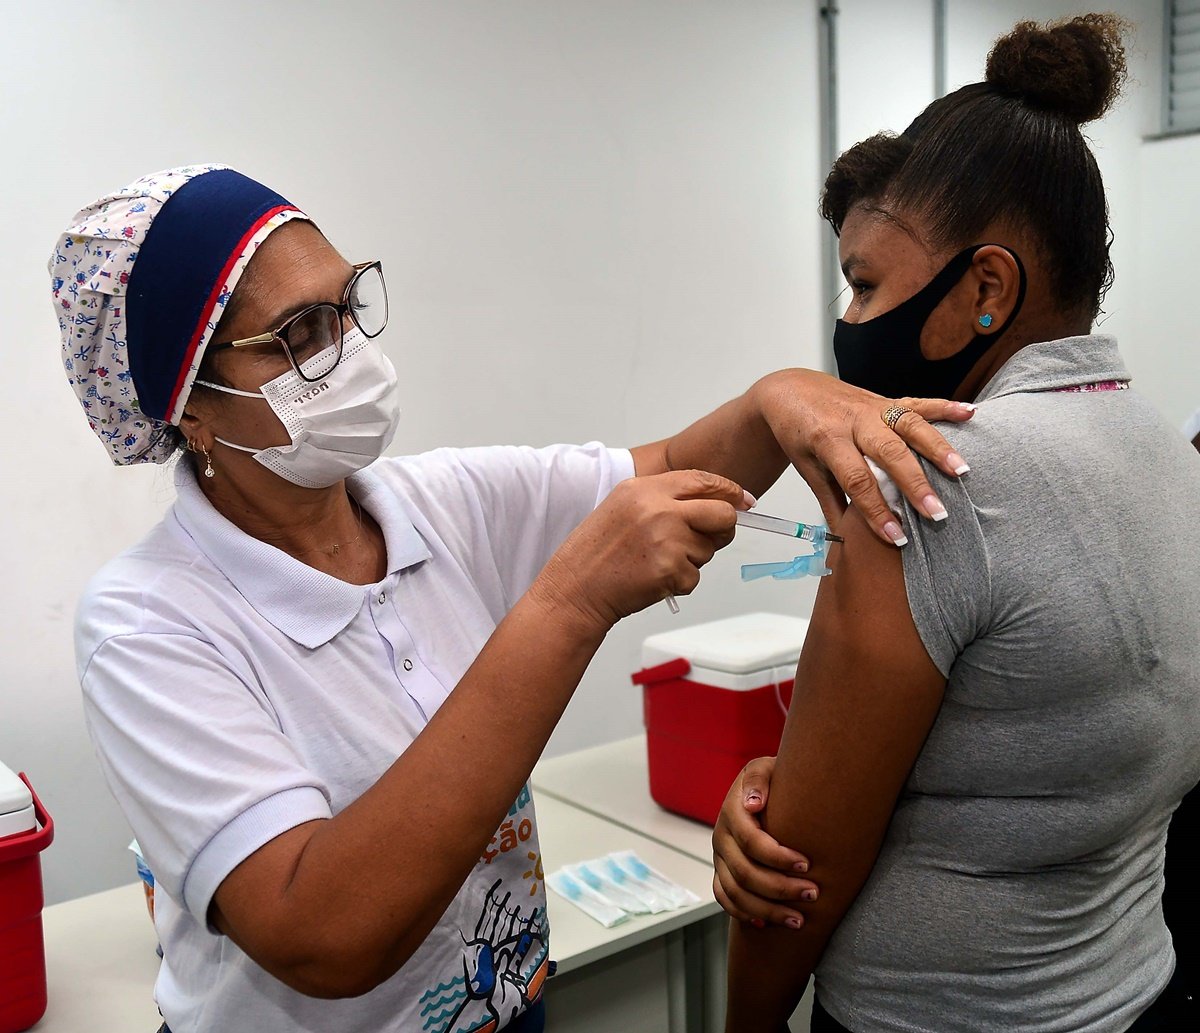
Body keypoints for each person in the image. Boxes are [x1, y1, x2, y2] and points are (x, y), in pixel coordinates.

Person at [54, 164, 973, 1033]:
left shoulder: (436, 502)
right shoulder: (148, 622)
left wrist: (782, 395)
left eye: (345, 307)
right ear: (190, 406)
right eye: (295, 337)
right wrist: (570, 601)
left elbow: (673, 469)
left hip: (506, 1000)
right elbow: (320, 931)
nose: (345, 352)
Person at [711, 14, 1200, 1033]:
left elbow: (798, 873)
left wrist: (747, 1022)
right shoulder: (1164, 446)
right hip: (1136, 991)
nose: (849, 324)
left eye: (866, 284)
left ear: (986, 288)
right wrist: (791, 772)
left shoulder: (928, 482)